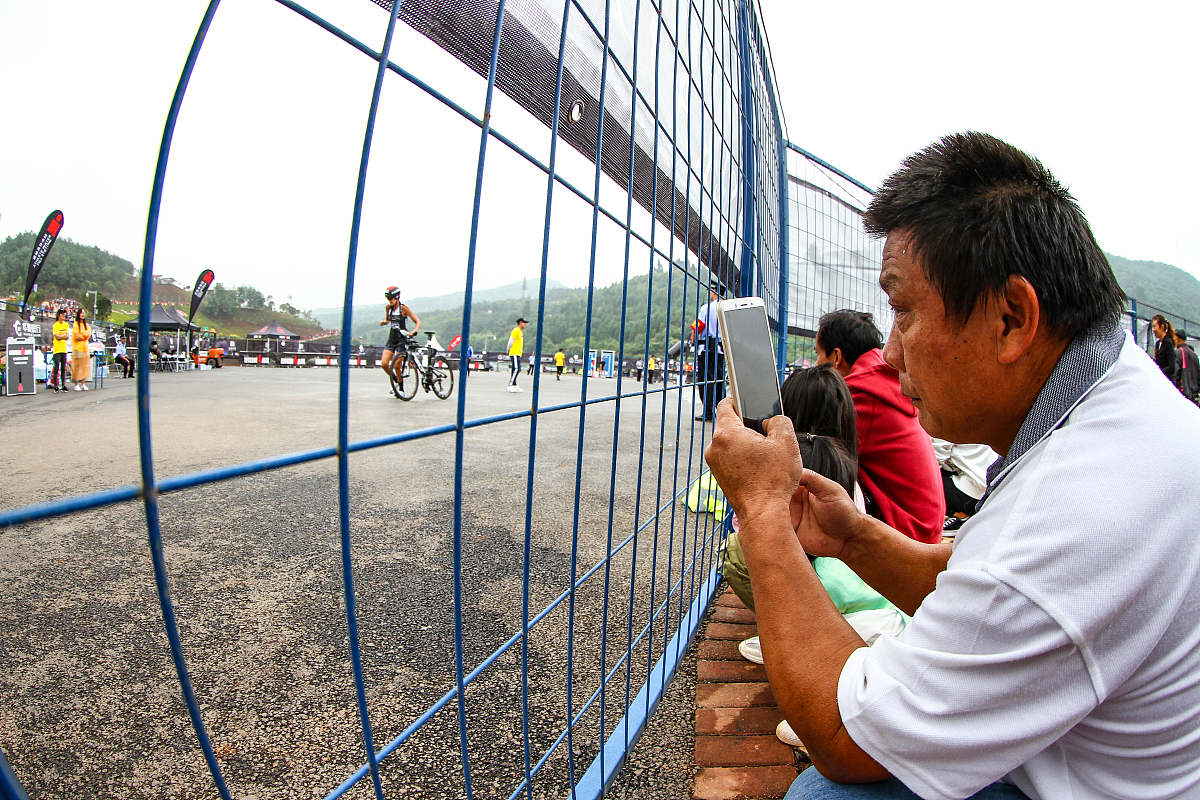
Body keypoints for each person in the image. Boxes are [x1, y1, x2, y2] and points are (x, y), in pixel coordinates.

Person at [705, 132, 1200, 800]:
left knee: (826, 795)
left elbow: (847, 742)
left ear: (1011, 318)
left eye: (904, 309)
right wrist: (850, 535)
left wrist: (762, 511)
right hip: (1106, 753)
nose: (890, 351)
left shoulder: (1075, 510)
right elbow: (976, 581)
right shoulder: (1116, 397)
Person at [814, 309, 944, 543]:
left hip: (907, 533)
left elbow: (815, 452)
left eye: (818, 354)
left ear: (836, 356)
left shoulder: (860, 395)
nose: (816, 363)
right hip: (925, 525)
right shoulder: (885, 381)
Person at [690, 281, 724, 419]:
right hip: (721, 350)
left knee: (705, 380)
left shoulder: (706, 308)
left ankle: (708, 412)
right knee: (720, 380)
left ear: (715, 291)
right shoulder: (725, 307)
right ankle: (722, 412)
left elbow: (698, 326)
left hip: (706, 349)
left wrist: (693, 340)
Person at [379, 286, 420, 394]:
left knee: (397, 365)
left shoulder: (404, 308)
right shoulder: (388, 308)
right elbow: (388, 320)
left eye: (391, 298)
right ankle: (396, 380)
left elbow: (417, 321)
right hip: (392, 338)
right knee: (384, 364)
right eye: (388, 299)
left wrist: (414, 331)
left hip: (402, 339)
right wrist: (384, 322)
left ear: (397, 297)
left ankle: (401, 389)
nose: (390, 301)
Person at [1173, 329, 1198, 401]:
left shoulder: (1178, 353)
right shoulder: (1194, 354)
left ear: (1177, 338)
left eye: (1174, 338)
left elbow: (1175, 374)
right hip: (1194, 393)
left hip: (1183, 393)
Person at [1151, 313, 1177, 383]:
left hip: (1168, 382)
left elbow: (1171, 367)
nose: (1153, 330)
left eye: (1154, 326)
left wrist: (1159, 372)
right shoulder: (1158, 344)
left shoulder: (1168, 343)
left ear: (1162, 327)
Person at [70, 311, 92, 390]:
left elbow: (88, 334)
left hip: (85, 348)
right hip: (77, 348)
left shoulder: (87, 325)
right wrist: (83, 336)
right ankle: (76, 384)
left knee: (85, 366)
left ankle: (83, 384)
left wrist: (82, 335)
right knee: (77, 367)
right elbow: (77, 336)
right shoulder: (76, 324)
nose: (83, 314)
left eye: (84, 313)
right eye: (81, 313)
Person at [50, 309, 69, 392]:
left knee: (63, 368)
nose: (63, 315)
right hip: (57, 349)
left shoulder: (66, 325)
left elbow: (67, 336)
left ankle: (63, 385)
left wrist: (63, 336)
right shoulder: (55, 325)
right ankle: (55, 386)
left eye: (64, 314)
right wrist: (63, 336)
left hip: (63, 349)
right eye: (62, 314)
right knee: (56, 367)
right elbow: (57, 336)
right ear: (58, 315)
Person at [507, 317, 527, 393]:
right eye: (524, 323)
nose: (525, 324)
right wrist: (508, 349)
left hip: (518, 353)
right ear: (520, 323)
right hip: (514, 352)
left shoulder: (520, 332)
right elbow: (511, 341)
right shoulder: (516, 330)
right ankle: (510, 385)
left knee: (516, 368)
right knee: (516, 368)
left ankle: (514, 385)